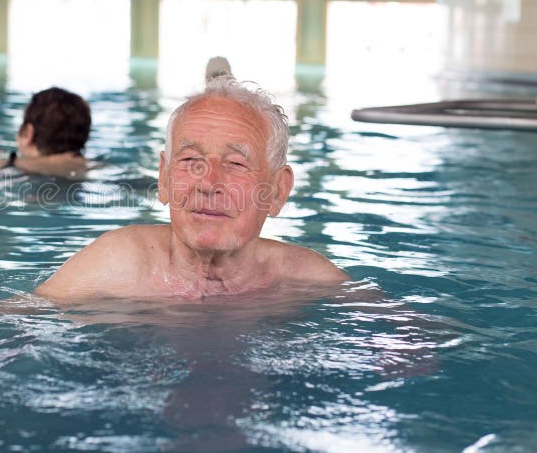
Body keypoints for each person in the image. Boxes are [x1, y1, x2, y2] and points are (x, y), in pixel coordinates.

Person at [35, 69, 348, 302]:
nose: (208, 183)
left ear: (278, 190)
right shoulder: (117, 266)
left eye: (236, 164)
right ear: (164, 179)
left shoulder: (307, 281)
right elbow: (6, 327)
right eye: (189, 161)